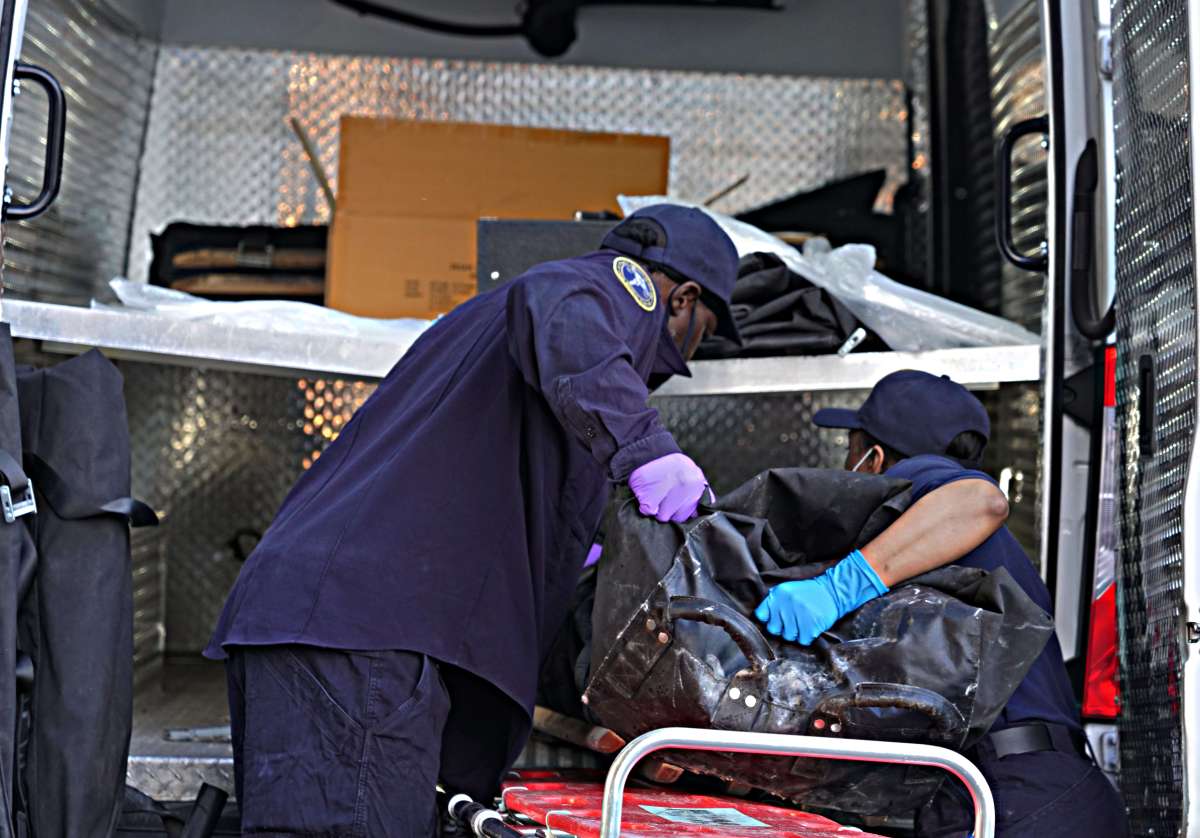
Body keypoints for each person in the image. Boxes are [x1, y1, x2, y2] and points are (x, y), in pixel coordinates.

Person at [204, 205, 741, 837]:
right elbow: (559, 301)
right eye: (697, 336)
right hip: (364, 637)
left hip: (332, 628)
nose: (655, 372)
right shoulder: (606, 288)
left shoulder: (489, 335)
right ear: (682, 297)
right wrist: (648, 451)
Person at [755, 370, 1129, 837]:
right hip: (1026, 794)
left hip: (1023, 798)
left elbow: (983, 500)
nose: (844, 465)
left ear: (874, 457)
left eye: (849, 449)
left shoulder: (922, 482)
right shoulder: (930, 546)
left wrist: (837, 588)